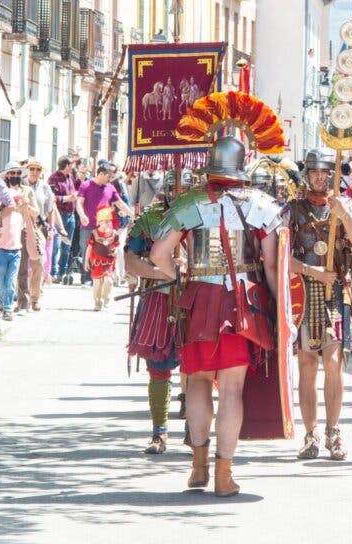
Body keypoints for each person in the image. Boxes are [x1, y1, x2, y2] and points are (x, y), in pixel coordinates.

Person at [150, 136, 283, 497]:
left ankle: (198, 468)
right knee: (231, 389)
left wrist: (178, 275)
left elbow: (159, 253)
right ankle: (224, 475)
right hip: (242, 302)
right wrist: (277, 305)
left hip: (200, 298)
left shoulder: (189, 203)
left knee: (196, 382)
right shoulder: (261, 205)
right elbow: (271, 264)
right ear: (242, 166)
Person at [289, 148, 352, 462]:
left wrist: (342, 213)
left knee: (333, 363)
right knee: (307, 365)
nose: (319, 177)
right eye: (314, 172)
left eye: (324, 172)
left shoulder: (345, 205)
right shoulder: (292, 210)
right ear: (306, 174)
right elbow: (281, 256)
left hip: (335, 293)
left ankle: (334, 431)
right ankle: (311, 434)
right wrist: (311, 271)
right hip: (305, 293)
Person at [124, 169, 192, 454]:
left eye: (185, 187)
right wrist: (161, 272)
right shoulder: (150, 218)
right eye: (176, 188)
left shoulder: (203, 216)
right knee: (159, 369)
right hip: (158, 297)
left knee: (196, 366)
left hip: (195, 298)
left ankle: (194, 429)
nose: (180, 192)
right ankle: (159, 432)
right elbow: (130, 261)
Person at [0, 162, 41, 321]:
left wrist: (25, 204)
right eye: (12, 173)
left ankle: (18, 304)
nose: (15, 176)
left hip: (23, 233)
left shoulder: (27, 191)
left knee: (19, 272)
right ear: (7, 175)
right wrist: (12, 205)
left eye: (18, 173)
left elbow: (36, 212)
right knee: (1, 277)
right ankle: (0, 305)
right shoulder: (1, 192)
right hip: (2, 238)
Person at [76, 164, 130, 285]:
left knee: (104, 251)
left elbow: (120, 203)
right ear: (100, 174)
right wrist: (82, 215)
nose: (109, 179)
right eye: (108, 176)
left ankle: (102, 276)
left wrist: (131, 213)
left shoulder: (110, 188)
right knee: (87, 249)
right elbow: (79, 203)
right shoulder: (86, 185)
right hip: (88, 225)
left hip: (105, 227)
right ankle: (87, 278)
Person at [21, 156, 58, 311]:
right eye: (32, 169)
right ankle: (22, 297)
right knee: (22, 263)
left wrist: (51, 228)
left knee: (38, 263)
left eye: (38, 169)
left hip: (38, 228)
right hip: (21, 227)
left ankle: (35, 298)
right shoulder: (20, 184)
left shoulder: (44, 187)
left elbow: (51, 210)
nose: (35, 172)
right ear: (27, 170)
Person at [48, 156, 80, 283]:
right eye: (71, 165)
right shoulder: (53, 178)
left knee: (67, 245)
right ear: (66, 165)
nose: (73, 167)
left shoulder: (70, 177)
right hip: (59, 214)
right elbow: (52, 197)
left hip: (70, 215)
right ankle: (52, 272)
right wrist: (68, 198)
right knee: (55, 245)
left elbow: (76, 189)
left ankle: (62, 273)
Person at [84, 207, 119, 310]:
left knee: (108, 281)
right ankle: (97, 302)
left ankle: (106, 298)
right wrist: (86, 261)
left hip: (108, 262)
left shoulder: (114, 234)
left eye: (109, 221)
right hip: (97, 263)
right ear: (100, 221)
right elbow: (89, 248)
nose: (108, 223)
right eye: (105, 221)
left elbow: (116, 247)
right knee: (97, 283)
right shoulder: (94, 234)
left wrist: (115, 253)